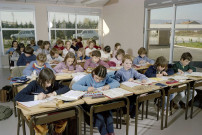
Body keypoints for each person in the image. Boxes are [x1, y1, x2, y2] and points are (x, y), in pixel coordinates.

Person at [15, 68, 69, 135]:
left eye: (51, 82)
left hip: (48, 110)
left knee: (62, 119)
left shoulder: (51, 83)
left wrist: (54, 93)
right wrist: (37, 97)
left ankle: (55, 132)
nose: (49, 85)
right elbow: (17, 97)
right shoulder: (33, 84)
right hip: (35, 112)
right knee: (40, 126)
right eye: (47, 82)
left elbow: (66, 88)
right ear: (41, 80)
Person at [72, 65, 119, 135]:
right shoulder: (87, 77)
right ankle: (104, 133)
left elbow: (116, 83)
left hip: (102, 100)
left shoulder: (106, 77)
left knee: (108, 112)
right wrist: (87, 88)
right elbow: (74, 86)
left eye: (101, 80)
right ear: (93, 73)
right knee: (99, 116)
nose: (98, 81)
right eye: (96, 78)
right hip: (91, 103)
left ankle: (111, 132)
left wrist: (109, 86)